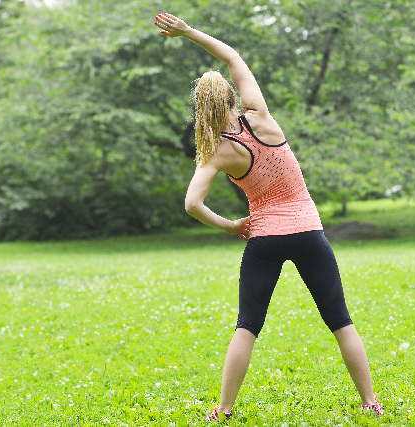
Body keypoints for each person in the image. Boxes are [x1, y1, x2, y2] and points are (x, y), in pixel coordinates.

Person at [154, 12, 384, 421]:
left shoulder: (217, 151)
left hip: (263, 237)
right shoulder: (259, 115)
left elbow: (191, 204)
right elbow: (233, 56)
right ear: (230, 98)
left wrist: (229, 225)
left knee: (247, 326)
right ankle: (370, 401)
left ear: (201, 109)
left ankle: (222, 410)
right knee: (340, 321)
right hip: (309, 232)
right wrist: (189, 33)